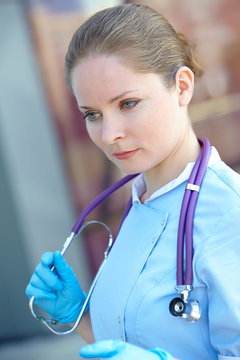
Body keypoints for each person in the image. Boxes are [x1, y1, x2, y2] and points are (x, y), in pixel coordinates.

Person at [26, 4, 240, 360]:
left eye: (127, 104)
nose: (109, 135)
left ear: (182, 87)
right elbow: (127, 341)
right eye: (92, 115)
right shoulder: (139, 205)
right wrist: (78, 316)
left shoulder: (230, 214)